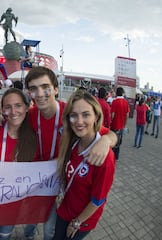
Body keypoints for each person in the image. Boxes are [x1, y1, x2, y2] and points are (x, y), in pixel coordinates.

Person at [23, 66, 117, 240]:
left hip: (59, 183)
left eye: (45, 87)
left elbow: (107, 133)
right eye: (33, 89)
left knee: (50, 230)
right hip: (38, 180)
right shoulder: (30, 114)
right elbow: (11, 117)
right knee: (32, 217)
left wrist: (106, 141)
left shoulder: (71, 112)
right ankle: (28, 235)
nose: (40, 93)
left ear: (56, 89)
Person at [53, 90, 115, 240]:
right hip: (64, 209)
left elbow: (98, 200)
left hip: (82, 220)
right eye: (74, 115)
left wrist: (77, 222)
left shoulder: (105, 158)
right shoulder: (73, 140)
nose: (79, 121)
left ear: (96, 117)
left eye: (86, 114)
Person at [0, 88, 37, 240]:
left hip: (13, 202)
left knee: (3, 236)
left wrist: (109, 137)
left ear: (27, 108)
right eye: (8, 107)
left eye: (18, 105)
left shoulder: (34, 137)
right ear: (2, 110)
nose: (13, 111)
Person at [110, 87, 130, 160]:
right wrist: (125, 124)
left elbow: (112, 114)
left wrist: (111, 121)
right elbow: (127, 115)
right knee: (119, 142)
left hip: (114, 125)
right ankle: (116, 157)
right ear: (122, 93)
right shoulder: (126, 102)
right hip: (121, 126)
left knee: (113, 142)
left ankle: (111, 157)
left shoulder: (114, 102)